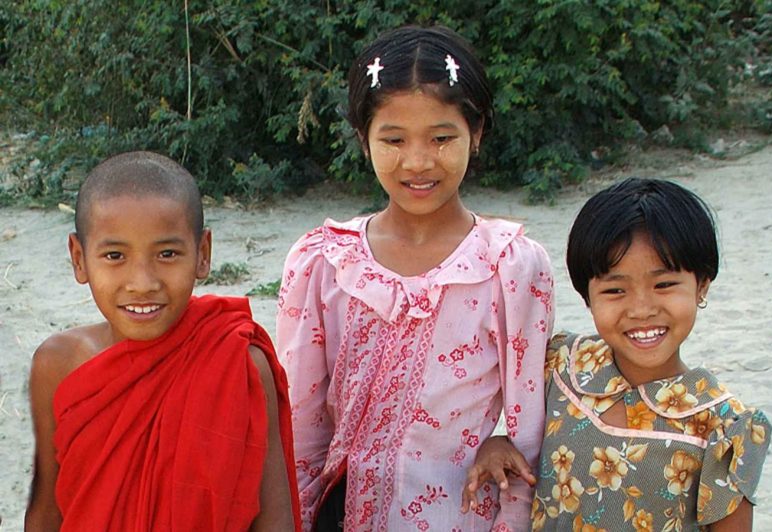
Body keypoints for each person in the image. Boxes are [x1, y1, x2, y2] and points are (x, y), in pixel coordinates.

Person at [275, 25, 554, 531]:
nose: (419, 161)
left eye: (442, 138)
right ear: (364, 139)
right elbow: (300, 426)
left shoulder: (509, 267)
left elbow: (527, 430)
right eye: (394, 139)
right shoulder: (325, 263)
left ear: (478, 132)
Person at [462, 178, 772, 531]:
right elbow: (528, 441)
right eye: (615, 289)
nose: (641, 309)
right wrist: (496, 447)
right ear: (587, 297)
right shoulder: (560, 368)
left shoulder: (722, 427)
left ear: (701, 284)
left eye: (664, 285)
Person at [25, 151, 300, 531]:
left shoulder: (239, 361)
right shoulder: (56, 365)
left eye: (167, 253)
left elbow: (274, 519)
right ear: (79, 258)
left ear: (202, 254)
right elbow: (45, 512)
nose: (143, 283)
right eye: (115, 255)